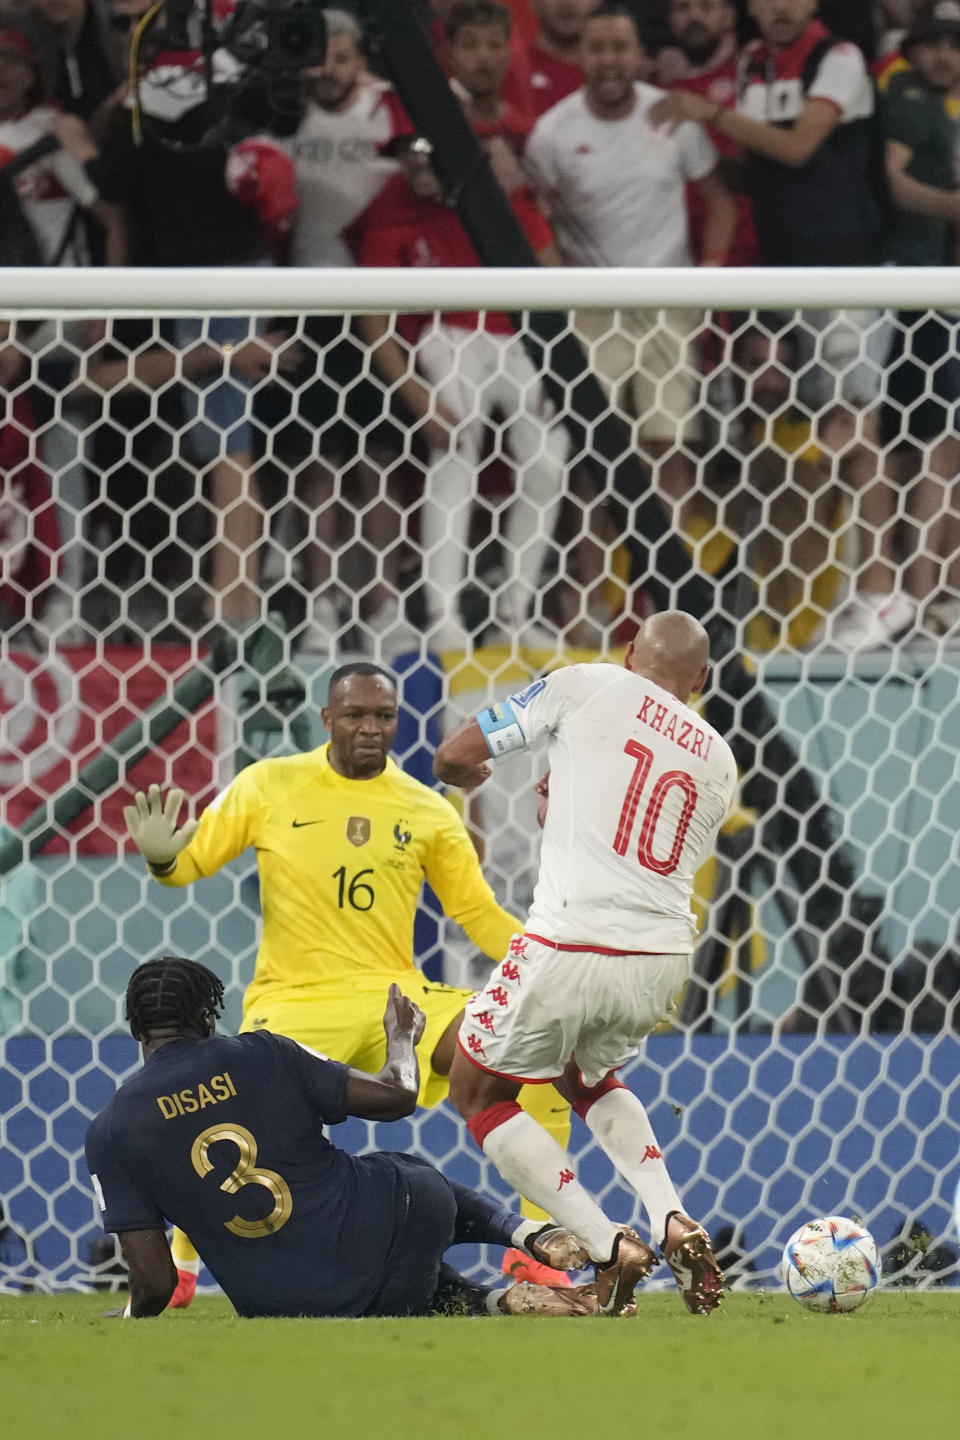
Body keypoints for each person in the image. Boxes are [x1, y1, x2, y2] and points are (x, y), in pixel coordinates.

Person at [123, 661, 573, 1303]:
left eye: (383, 716)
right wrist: (163, 856)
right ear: (328, 719)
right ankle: (183, 1271)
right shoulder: (269, 786)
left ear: (397, 721)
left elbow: (474, 912)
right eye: (356, 715)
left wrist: (544, 962)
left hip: (395, 997)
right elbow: (191, 863)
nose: (370, 728)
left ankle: (542, 1255)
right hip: (293, 1000)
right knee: (224, 1105)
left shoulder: (425, 809)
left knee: (529, 1053)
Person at [433, 612, 739, 1316]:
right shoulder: (718, 757)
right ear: (702, 680)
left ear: (630, 653)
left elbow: (455, 753)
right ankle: (669, 1214)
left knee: (478, 1090)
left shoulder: (587, 685)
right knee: (587, 1075)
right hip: (660, 957)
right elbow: (636, 845)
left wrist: (463, 771)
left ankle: (606, 1247)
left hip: (573, 938)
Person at [86, 956, 595, 1318]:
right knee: (397, 1170)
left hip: (282, 1305)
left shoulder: (110, 1131)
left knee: (373, 1288)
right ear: (206, 1015)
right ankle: (528, 1235)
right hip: (401, 1224)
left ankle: (496, 1303)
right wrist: (401, 1038)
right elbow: (397, 1099)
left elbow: (154, 1282)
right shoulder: (265, 1052)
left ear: (136, 1029)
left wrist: (134, 1317)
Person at [525, 4, 737, 518]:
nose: (609, 59)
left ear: (642, 55)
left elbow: (720, 202)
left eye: (620, 47)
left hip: (669, 305)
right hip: (592, 312)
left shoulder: (672, 115)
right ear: (580, 56)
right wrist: (562, 295)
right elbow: (535, 221)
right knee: (596, 455)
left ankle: (670, 592)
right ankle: (596, 596)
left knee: (669, 447)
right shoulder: (552, 134)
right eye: (597, 48)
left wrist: (708, 273)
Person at [829, 1, 960, 649]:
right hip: (904, 288)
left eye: (953, 47)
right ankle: (905, 594)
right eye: (932, 44)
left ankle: (916, 597)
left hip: (924, 287)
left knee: (928, 439)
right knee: (913, 436)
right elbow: (895, 182)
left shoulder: (927, 104)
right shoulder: (908, 99)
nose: (944, 57)